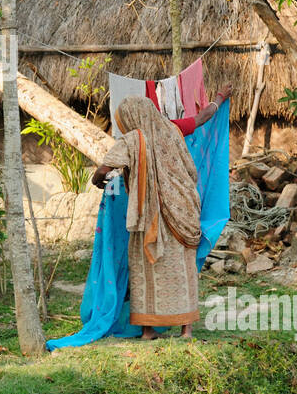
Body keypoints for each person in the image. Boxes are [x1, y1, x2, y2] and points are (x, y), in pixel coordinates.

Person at [89, 92, 227, 339]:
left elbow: (103, 170)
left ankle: (148, 329)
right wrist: (219, 97)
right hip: (184, 210)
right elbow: (201, 118)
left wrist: (98, 181)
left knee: (146, 268)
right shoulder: (172, 130)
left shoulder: (134, 140)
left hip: (153, 215)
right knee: (183, 269)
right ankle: (186, 329)